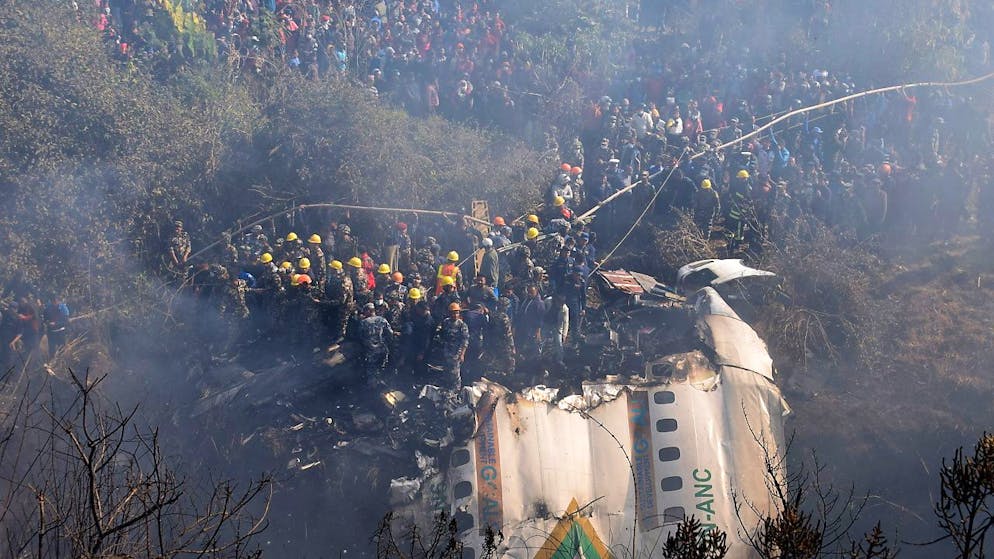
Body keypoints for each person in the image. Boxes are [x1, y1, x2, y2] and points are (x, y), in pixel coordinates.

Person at [431, 302, 468, 389]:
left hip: (456, 352)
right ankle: (446, 388)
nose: (455, 315)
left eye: (456, 312)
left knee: (455, 373)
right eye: (453, 313)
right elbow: (440, 333)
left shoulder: (462, 325)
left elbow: (465, 340)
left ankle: (456, 389)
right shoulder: (446, 322)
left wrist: (462, 354)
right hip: (446, 350)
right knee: (446, 371)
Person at [358, 302, 393, 385]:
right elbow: (390, 333)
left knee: (371, 371)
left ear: (368, 311)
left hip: (371, 351)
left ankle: (372, 389)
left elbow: (359, 336)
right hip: (383, 349)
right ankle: (381, 386)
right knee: (382, 368)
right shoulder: (382, 319)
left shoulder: (363, 323)